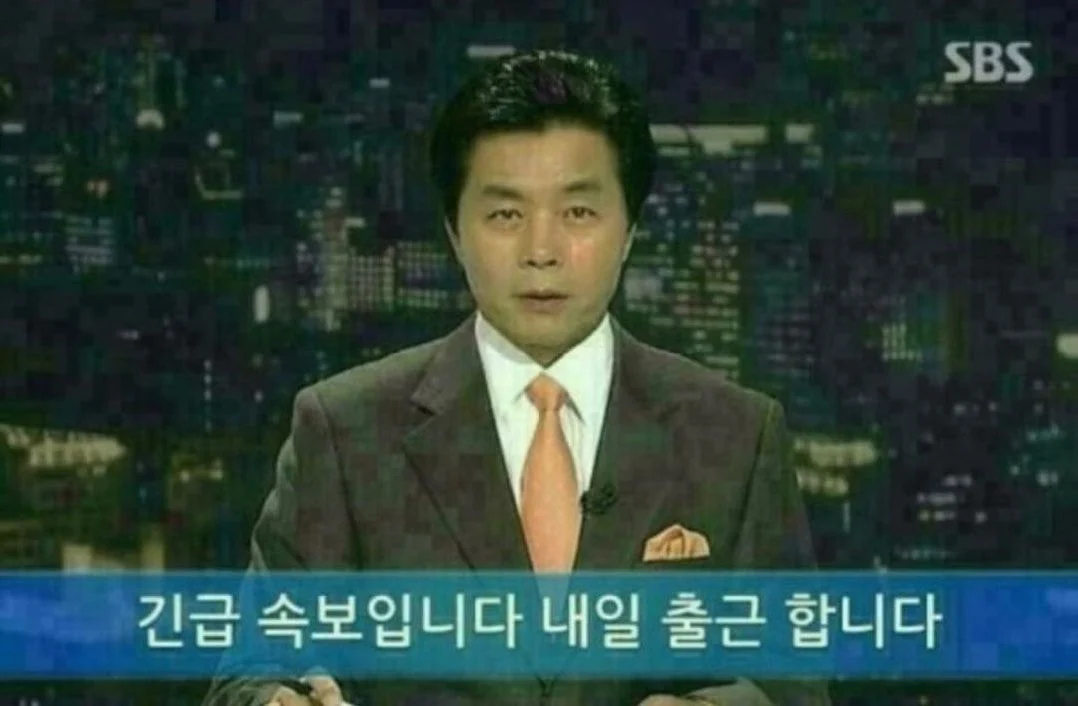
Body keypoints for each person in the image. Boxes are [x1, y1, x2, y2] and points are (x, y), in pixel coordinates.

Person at [204, 49, 830, 706]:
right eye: (506, 215)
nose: (541, 251)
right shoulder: (344, 429)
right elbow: (250, 673)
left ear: (629, 231)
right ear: (455, 233)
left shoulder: (736, 434)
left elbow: (792, 683)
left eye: (578, 213)